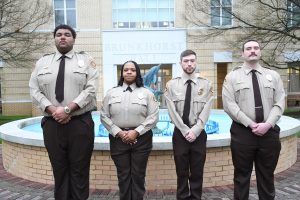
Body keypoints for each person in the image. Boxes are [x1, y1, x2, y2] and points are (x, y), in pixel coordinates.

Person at [29, 24, 99, 200]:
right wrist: (53, 109)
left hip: (80, 123)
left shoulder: (86, 61)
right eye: (59, 34)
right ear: (54, 39)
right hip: (52, 124)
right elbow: (34, 90)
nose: (62, 37)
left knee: (80, 170)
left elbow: (91, 89)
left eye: (67, 34)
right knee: (59, 170)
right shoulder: (42, 62)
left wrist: (68, 109)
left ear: (73, 39)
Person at [222, 40, 285, 200]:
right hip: (243, 134)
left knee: (267, 176)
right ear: (243, 54)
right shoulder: (232, 77)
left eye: (256, 48)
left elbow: (280, 102)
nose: (252, 51)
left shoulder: (274, 76)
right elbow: (229, 105)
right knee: (241, 177)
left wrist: (268, 124)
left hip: (268, 133)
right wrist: (250, 124)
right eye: (248, 48)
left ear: (260, 52)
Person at [100, 60, 159, 200]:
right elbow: (103, 116)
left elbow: (154, 116)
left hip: (141, 138)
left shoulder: (147, 93)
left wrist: (136, 131)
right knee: (123, 175)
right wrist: (118, 132)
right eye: (126, 69)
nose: (129, 72)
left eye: (132, 69)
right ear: (122, 73)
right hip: (118, 139)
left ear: (137, 72)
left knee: (138, 175)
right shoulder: (111, 93)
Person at [164, 50, 213, 200]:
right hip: (180, 134)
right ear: (180, 63)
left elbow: (207, 108)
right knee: (182, 171)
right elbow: (171, 111)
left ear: (196, 62)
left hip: (198, 134)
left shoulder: (206, 84)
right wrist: (185, 131)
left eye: (192, 60)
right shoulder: (171, 84)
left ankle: (196, 197)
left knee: (197, 171)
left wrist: (196, 130)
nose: (189, 64)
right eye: (186, 61)